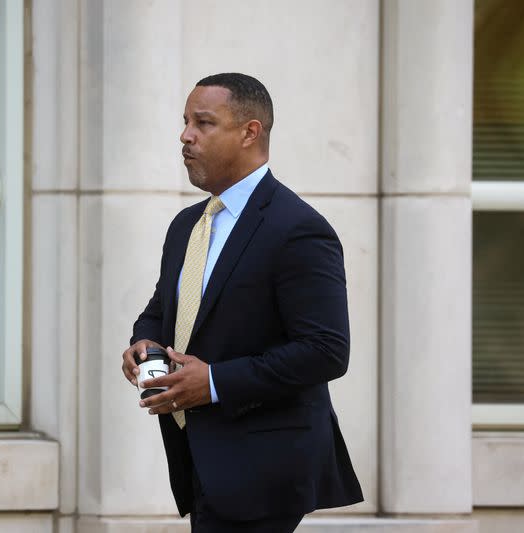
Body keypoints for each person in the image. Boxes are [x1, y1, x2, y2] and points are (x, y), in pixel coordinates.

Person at [121, 73, 363, 532]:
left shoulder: (299, 229)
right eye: (185, 121)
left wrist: (213, 382)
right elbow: (162, 307)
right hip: (201, 460)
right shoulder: (186, 224)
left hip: (264, 468)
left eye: (203, 123)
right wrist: (144, 341)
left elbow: (327, 350)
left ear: (250, 132)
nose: (185, 135)